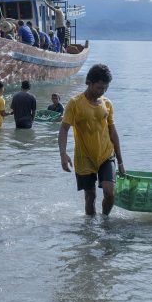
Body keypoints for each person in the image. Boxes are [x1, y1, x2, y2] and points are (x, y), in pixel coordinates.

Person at [59, 64, 125, 216]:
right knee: (90, 196)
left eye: (105, 88)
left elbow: (113, 132)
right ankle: (90, 229)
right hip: (84, 158)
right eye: (99, 88)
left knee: (110, 193)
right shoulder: (75, 103)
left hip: (106, 155)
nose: (102, 92)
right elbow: (63, 129)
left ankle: (105, 221)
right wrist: (63, 153)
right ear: (88, 82)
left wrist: (120, 162)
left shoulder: (107, 104)